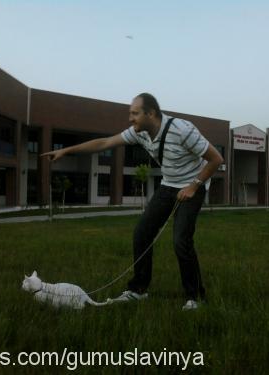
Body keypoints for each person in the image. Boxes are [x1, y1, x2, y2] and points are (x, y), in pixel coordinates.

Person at [41, 93, 224, 310]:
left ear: (151, 113)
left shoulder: (182, 129)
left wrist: (193, 186)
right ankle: (138, 290)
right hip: (168, 185)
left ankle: (195, 298)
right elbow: (106, 142)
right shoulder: (139, 133)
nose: (130, 118)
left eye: (134, 113)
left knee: (180, 241)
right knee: (141, 233)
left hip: (194, 184)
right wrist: (66, 150)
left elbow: (216, 159)